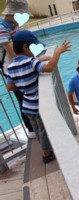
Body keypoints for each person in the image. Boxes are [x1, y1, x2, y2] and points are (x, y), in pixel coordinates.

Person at [6, 30, 71, 163]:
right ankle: (47, 154)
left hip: (26, 105)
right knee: (44, 130)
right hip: (37, 105)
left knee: (37, 129)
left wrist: (23, 83)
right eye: (33, 47)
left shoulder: (11, 67)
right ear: (25, 47)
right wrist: (58, 52)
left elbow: (10, 86)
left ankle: (45, 148)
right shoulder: (30, 62)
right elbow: (48, 68)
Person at [0, 0, 36, 138]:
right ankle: (31, 129)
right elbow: (13, 55)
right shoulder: (2, 28)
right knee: (23, 100)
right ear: (13, 13)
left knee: (30, 97)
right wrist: (34, 61)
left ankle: (36, 126)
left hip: (22, 66)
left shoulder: (14, 25)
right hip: (14, 71)